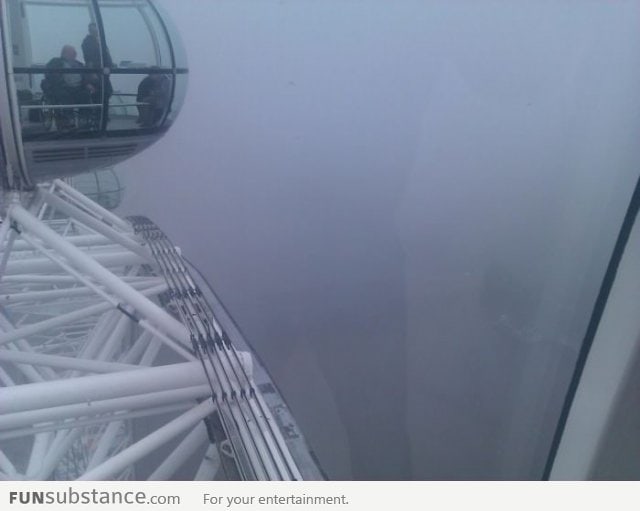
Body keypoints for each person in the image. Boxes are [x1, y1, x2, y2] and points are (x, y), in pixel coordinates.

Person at [42, 45, 95, 129]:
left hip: (78, 88)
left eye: (75, 52)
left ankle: (84, 121)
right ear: (65, 53)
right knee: (64, 97)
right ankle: (67, 121)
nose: (75, 54)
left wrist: (87, 84)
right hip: (62, 87)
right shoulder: (55, 62)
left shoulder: (78, 64)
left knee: (86, 95)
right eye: (73, 52)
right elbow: (50, 76)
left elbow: (85, 77)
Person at [82, 22, 113, 123]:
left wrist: (110, 65)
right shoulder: (88, 42)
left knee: (107, 92)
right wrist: (92, 73)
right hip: (97, 72)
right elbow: (89, 58)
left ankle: (103, 114)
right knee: (99, 93)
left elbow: (106, 55)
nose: (95, 31)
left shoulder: (100, 41)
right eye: (93, 29)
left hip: (104, 72)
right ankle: (100, 115)